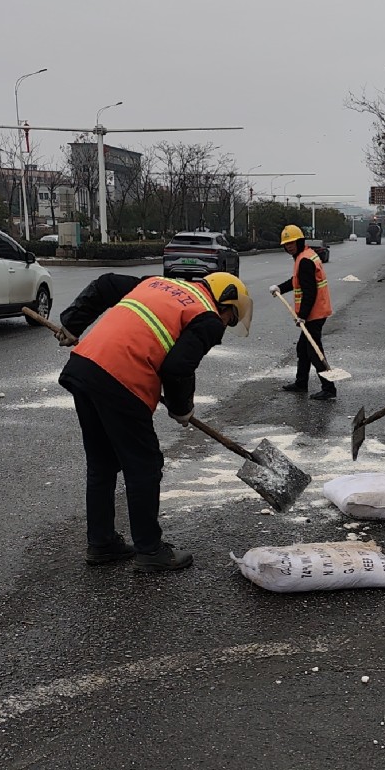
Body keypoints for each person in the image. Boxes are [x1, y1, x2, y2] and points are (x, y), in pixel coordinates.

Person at [55, 271, 252, 572]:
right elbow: (177, 368)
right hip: (121, 379)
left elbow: (105, 284)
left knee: (102, 464)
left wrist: (73, 322)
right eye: (230, 319)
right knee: (144, 467)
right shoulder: (208, 318)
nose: (225, 326)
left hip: (85, 367)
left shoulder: (157, 282)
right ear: (225, 305)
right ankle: (150, 550)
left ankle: (102, 543)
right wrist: (181, 406)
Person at [271, 223, 336, 401]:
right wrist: (280, 288)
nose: (289, 246)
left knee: (314, 351)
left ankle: (329, 388)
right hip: (315, 312)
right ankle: (301, 383)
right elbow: (297, 281)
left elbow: (310, 291)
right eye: (286, 244)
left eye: (292, 243)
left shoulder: (305, 260)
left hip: (314, 313)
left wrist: (303, 316)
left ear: (300, 241)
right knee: (303, 348)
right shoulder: (304, 256)